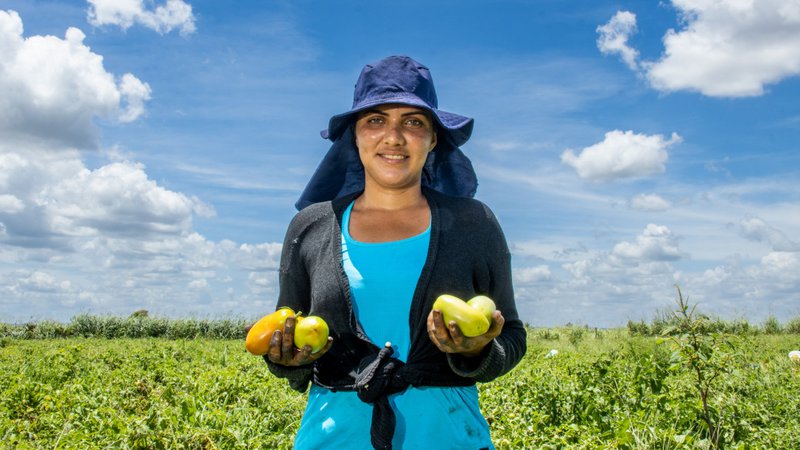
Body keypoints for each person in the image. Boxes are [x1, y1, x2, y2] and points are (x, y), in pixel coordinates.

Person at [263, 55, 527, 450]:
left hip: (450, 440)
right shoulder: (310, 227)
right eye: (375, 120)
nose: (394, 136)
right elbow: (287, 335)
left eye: (413, 122)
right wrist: (285, 359)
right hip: (331, 440)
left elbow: (512, 337)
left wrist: (479, 351)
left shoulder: (475, 224)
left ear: (434, 137)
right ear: (355, 134)